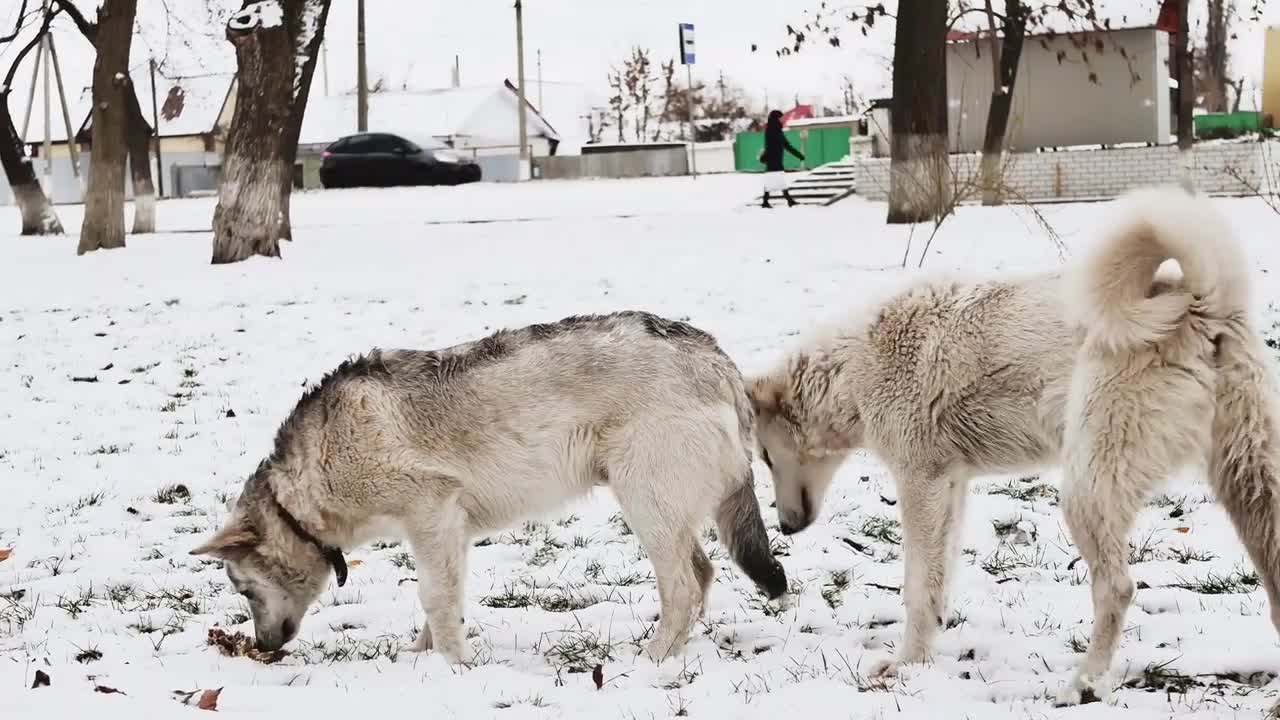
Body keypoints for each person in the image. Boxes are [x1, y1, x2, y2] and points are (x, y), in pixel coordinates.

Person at [760, 109, 805, 208]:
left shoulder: (773, 130)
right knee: (777, 181)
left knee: (773, 182)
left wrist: (799, 155)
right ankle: (787, 200)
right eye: (781, 118)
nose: (782, 120)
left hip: (774, 160)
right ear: (776, 119)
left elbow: (785, 145)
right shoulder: (774, 131)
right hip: (774, 161)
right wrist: (799, 155)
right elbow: (779, 146)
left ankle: (767, 202)